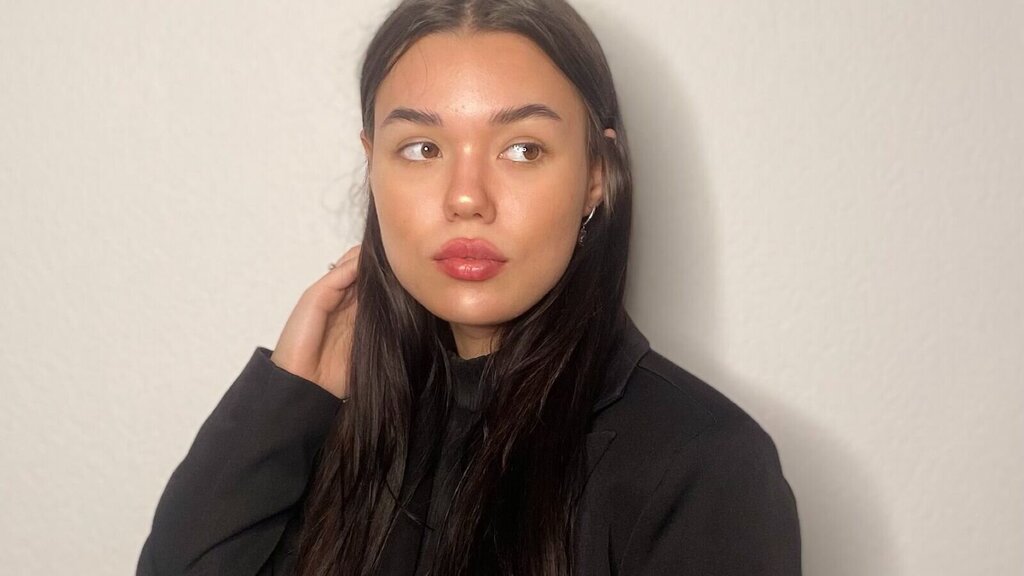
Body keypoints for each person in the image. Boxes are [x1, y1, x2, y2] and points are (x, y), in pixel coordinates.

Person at [137, 0, 801, 574]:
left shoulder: (703, 464)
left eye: (522, 149)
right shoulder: (333, 427)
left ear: (596, 175)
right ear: (373, 166)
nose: (466, 198)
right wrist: (287, 399)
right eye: (422, 149)